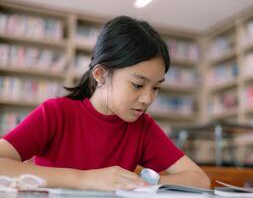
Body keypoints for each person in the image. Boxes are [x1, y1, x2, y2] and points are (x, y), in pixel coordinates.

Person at [0, 16, 210, 191]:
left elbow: (199, 180)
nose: (148, 99)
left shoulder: (142, 126)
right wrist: (86, 179)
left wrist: (137, 183)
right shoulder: (56, 113)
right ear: (100, 74)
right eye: (138, 85)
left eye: (156, 88)